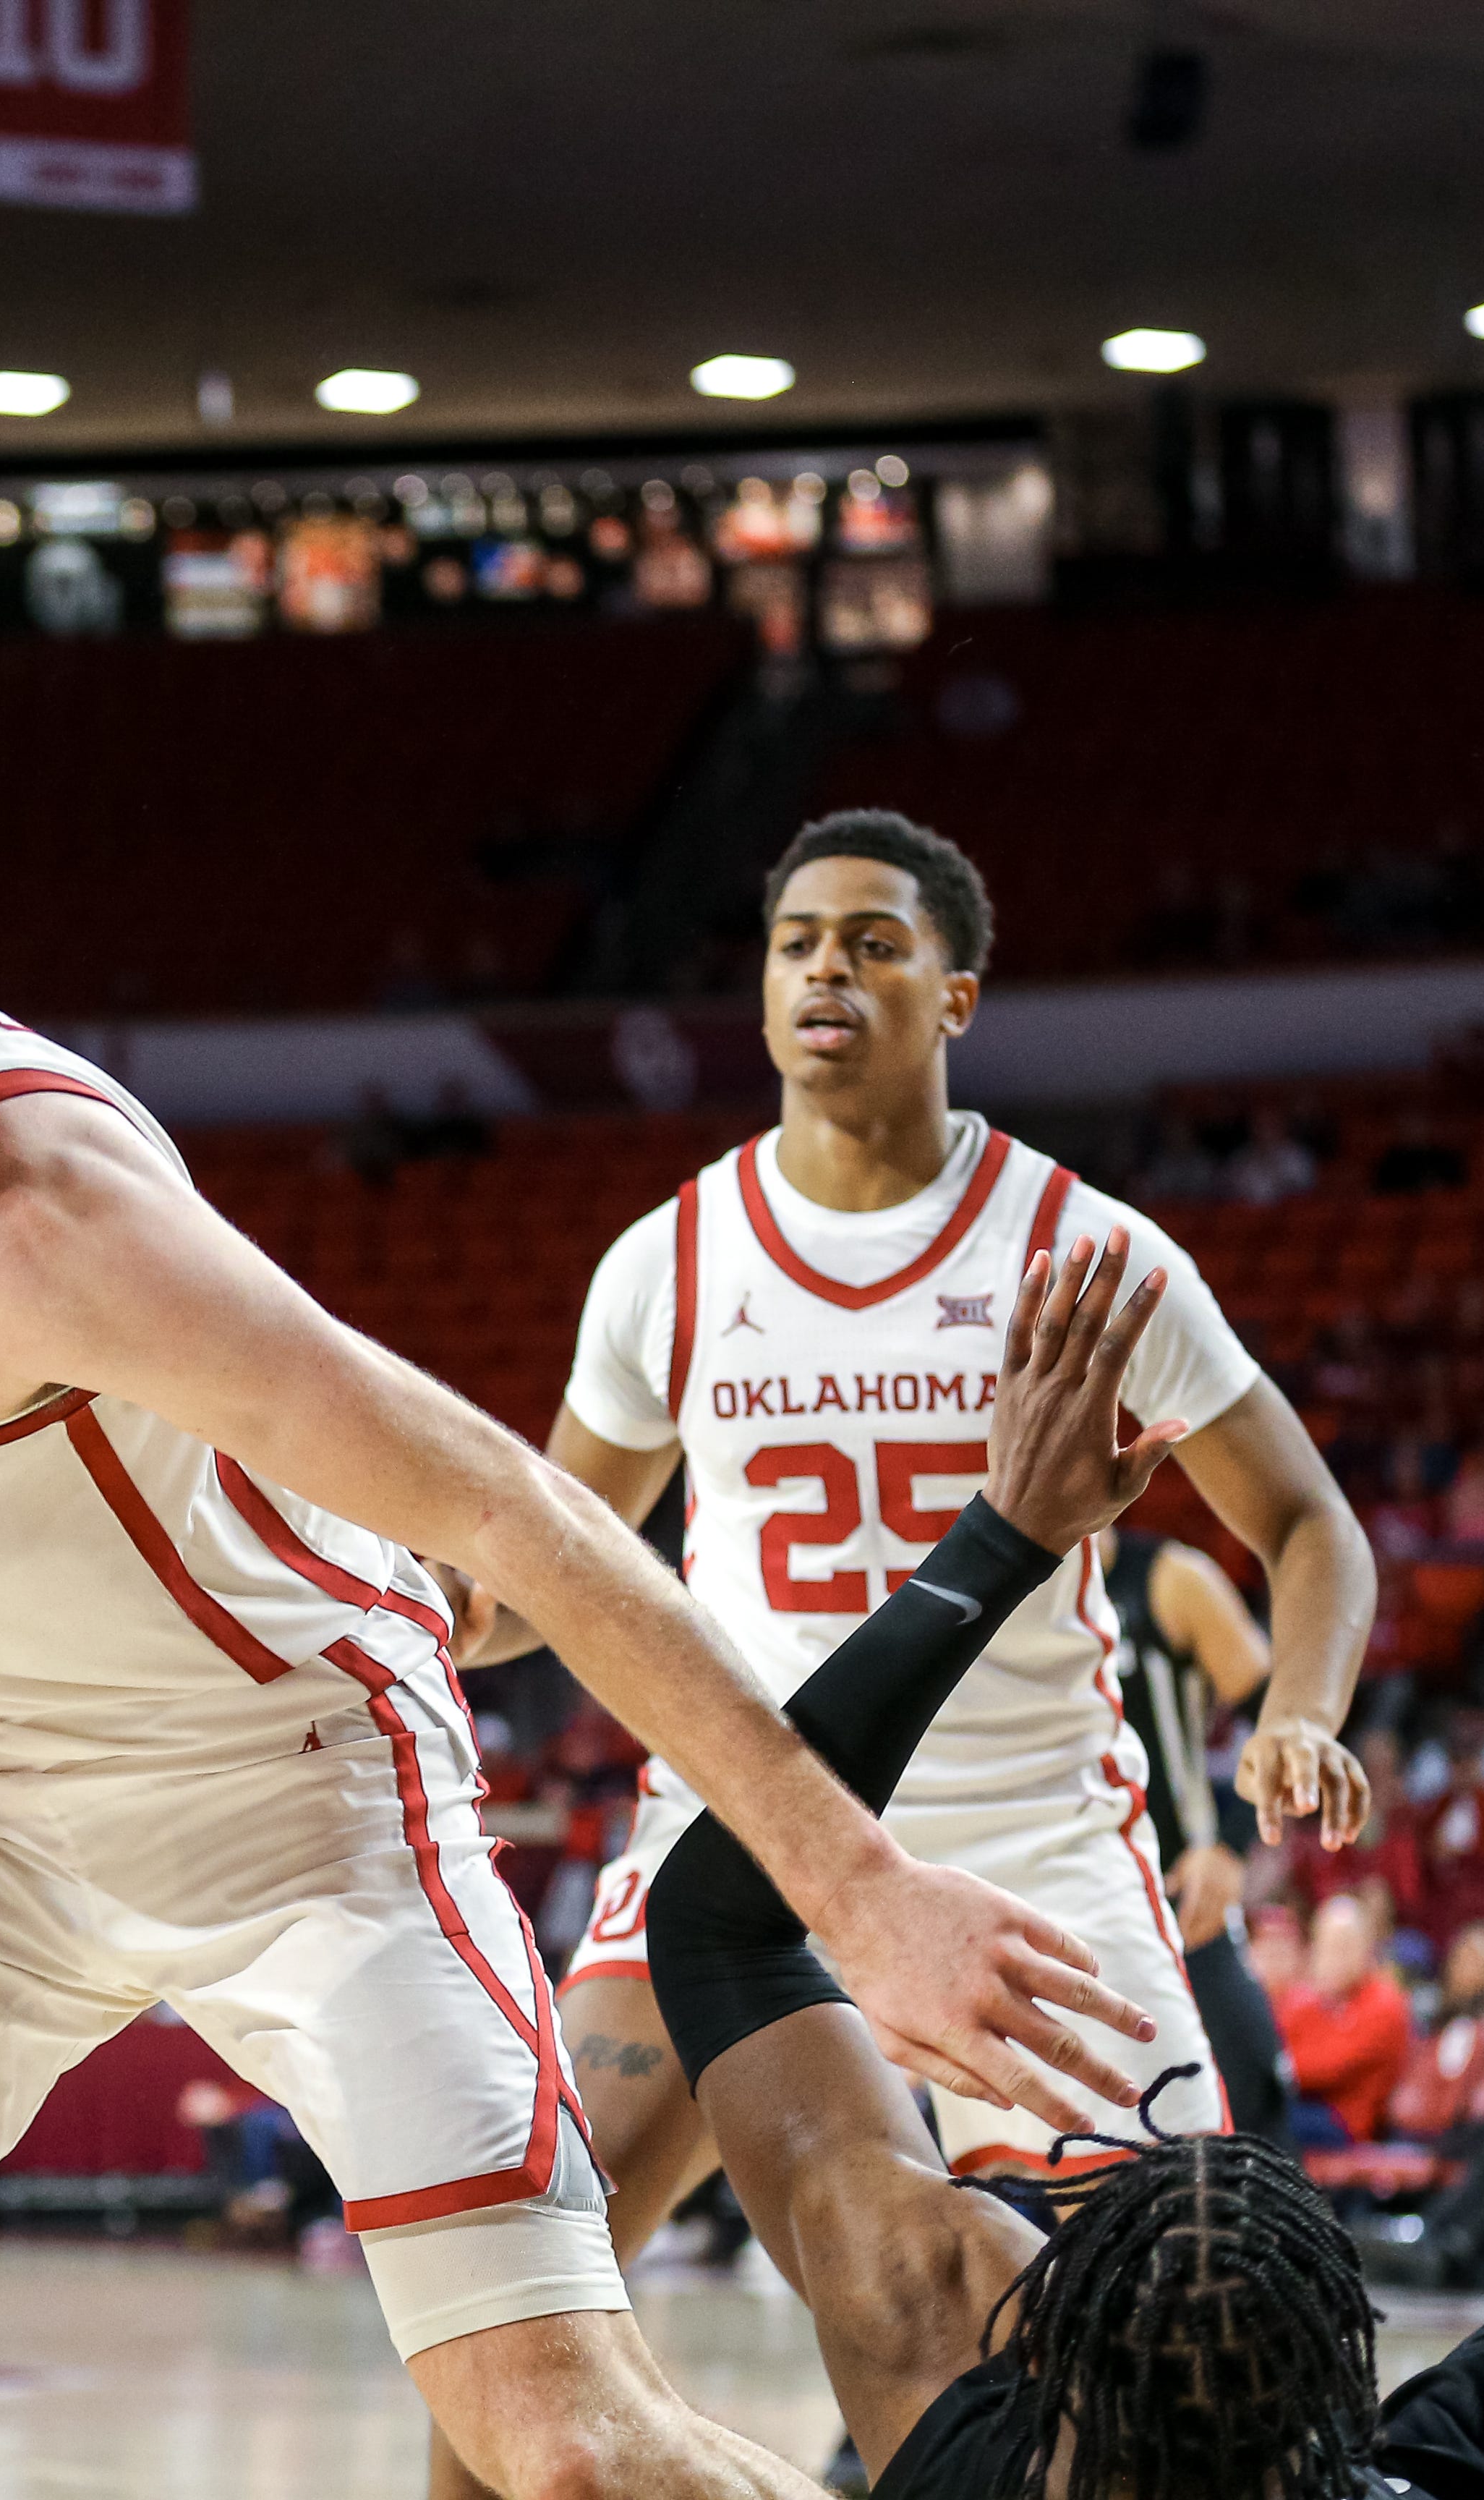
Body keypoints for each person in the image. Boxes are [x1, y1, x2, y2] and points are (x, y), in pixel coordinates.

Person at [0, 671, 1169, 2500]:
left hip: (286, 1803)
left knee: (558, 2444)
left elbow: (512, 1511)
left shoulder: (32, 1218)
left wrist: (862, 1885)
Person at [440, 810, 1369, 2491]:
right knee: (510, 2279)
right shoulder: (668, 1258)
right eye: (796, 939)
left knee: (1180, 2340)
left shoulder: (1084, 1253)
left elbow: (1310, 1522)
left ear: (955, 992)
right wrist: (434, 1601)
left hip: (1032, 1843)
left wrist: (1297, 1707)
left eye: (872, 941)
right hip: (740, 1840)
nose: (824, 969)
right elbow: (545, 1561)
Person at [647, 1461, 1484, 2500]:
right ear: (1344, 2385)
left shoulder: (953, 2399)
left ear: (1060, 2380)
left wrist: (1001, 1536)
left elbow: (717, 1922)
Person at [1093, 1521, 1293, 2139]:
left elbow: (1283, 1710)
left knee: (1251, 2113)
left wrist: (1230, 1846)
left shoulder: (1170, 1580)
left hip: (1181, 1904)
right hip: (1064, 1909)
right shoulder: (1002, 1591)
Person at [1272, 1894, 1412, 2148]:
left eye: (1343, 1946)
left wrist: (1278, 2067)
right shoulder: (1309, 1998)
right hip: (1307, 2106)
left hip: (1347, 2123)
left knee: (1264, 2120)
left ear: (1367, 1947)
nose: (1332, 1957)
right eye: (1326, 1945)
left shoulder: (1384, 2003)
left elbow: (1330, 2067)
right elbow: (1278, 2040)